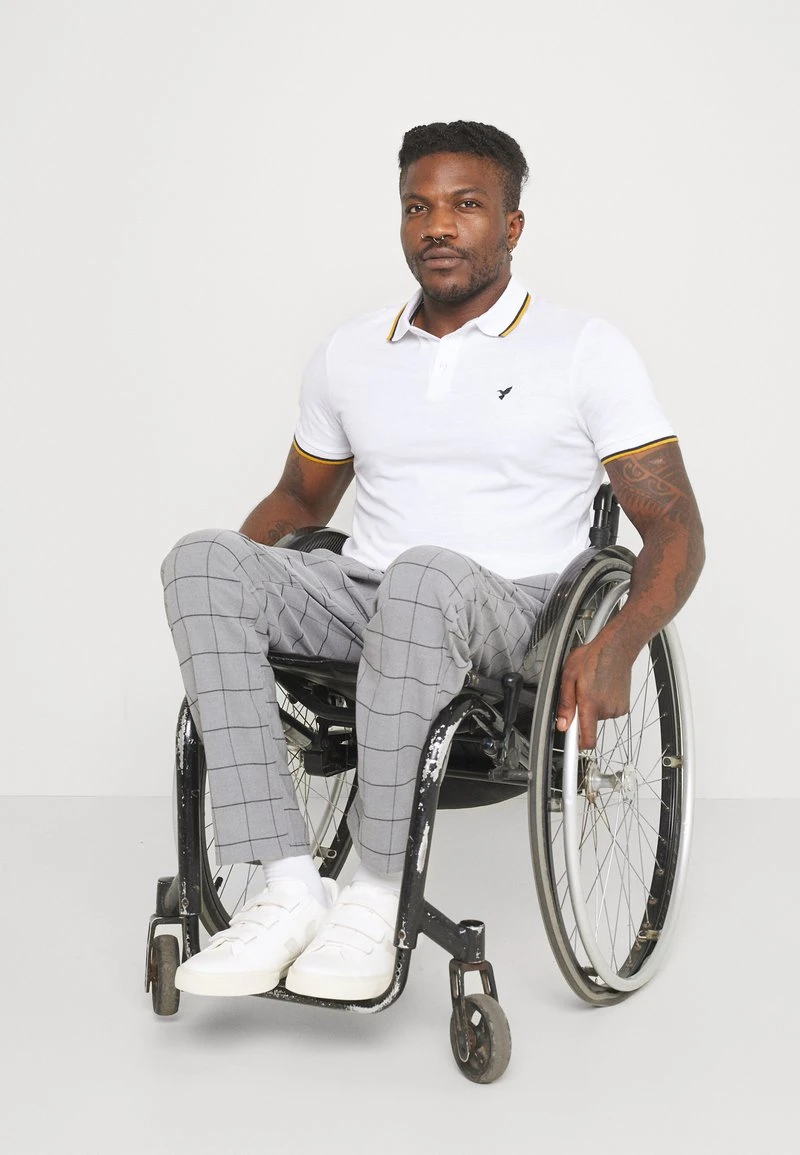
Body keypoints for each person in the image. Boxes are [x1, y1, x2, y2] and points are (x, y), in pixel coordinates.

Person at [160, 120, 705, 1003]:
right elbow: (297, 504)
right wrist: (225, 624)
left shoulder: (582, 349)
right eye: (418, 207)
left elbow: (676, 525)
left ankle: (375, 897)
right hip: (366, 595)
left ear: (512, 225)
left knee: (423, 572)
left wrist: (621, 644)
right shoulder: (350, 352)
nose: (438, 225)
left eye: (466, 205)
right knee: (199, 561)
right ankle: (290, 888)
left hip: (517, 611)